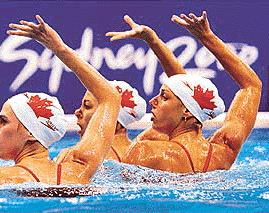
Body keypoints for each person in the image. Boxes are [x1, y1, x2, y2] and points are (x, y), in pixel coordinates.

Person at [0, 15, 121, 186]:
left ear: (31, 133)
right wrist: (60, 48)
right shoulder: (79, 171)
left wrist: (59, 49)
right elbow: (111, 97)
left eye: (4, 121)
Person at [106, 11, 262, 173]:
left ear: (187, 111)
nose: (153, 101)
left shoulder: (146, 152)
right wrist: (207, 37)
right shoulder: (224, 150)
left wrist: (153, 41)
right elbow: (252, 85)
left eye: (164, 97)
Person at [57, 80, 146, 163]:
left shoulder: (77, 156)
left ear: (114, 120)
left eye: (87, 106)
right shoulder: (144, 155)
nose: (77, 112)